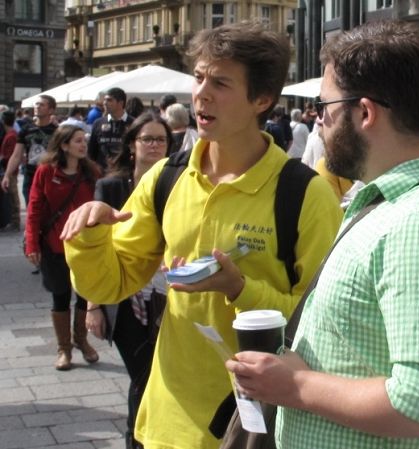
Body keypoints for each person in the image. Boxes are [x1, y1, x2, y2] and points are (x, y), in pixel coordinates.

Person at [61, 21, 343, 449]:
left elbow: (326, 329)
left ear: (262, 99)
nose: (201, 93)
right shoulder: (167, 178)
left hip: (258, 426)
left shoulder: (304, 194)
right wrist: (91, 236)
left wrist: (240, 288)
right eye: (199, 77)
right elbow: (109, 282)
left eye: (221, 82)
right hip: (166, 420)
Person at [226, 20, 419, 449]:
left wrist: (296, 386)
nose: (319, 121)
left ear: (365, 113)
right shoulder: (387, 206)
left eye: (325, 105)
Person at [85, 112, 173, 449]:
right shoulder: (111, 186)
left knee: (158, 373)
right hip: (124, 300)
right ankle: (136, 439)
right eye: (147, 139)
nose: (154, 145)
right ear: (132, 146)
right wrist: (92, 305)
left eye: (161, 139)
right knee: (142, 375)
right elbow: (95, 247)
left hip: (168, 296)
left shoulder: (176, 184)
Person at [25, 125, 101, 370]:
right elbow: (34, 209)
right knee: (60, 296)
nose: (83, 145)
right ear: (64, 145)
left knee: (84, 295)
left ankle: (82, 340)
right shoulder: (46, 172)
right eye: (78, 141)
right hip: (55, 246)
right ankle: (64, 348)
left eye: (84, 140)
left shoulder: (91, 173)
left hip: (85, 248)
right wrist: (31, 243)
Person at [1, 95, 58, 206]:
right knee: (31, 208)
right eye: (36, 104)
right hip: (30, 176)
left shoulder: (57, 132)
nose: (37, 106)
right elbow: (16, 155)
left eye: (42, 104)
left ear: (51, 110)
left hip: (50, 176)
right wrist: (7, 175)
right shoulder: (26, 130)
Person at [87, 87, 135, 172]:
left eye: (109, 100)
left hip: (125, 173)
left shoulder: (134, 124)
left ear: (120, 103)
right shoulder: (98, 123)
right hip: (102, 174)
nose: (105, 103)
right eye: (104, 100)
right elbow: (91, 152)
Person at [0, 111, 21, 231]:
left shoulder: (11, 135)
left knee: (13, 195)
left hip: (10, 170)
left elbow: (11, 155)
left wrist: (2, 159)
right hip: (7, 169)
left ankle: (16, 221)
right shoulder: (10, 134)